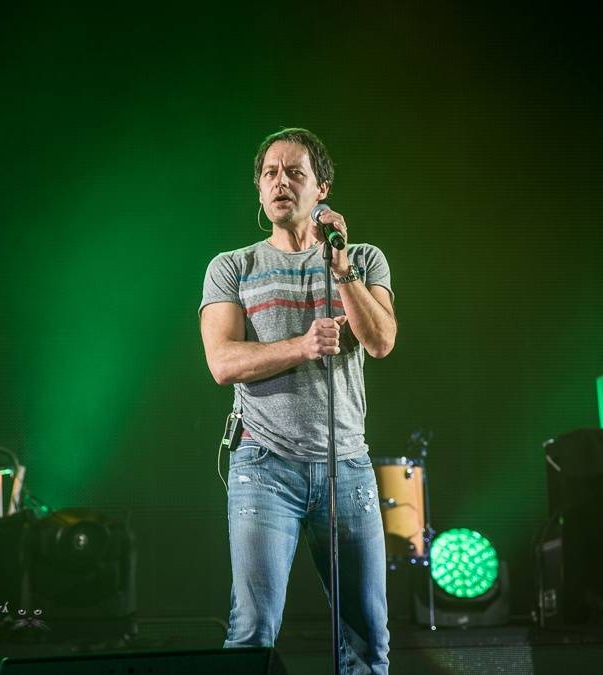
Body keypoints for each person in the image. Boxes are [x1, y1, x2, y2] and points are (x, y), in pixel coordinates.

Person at [199, 128, 396, 674]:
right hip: (264, 467)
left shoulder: (363, 259)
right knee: (251, 634)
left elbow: (380, 342)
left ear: (322, 189)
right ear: (260, 192)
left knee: (366, 638)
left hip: (347, 468)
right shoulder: (233, 267)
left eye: (294, 173)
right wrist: (303, 345)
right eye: (270, 173)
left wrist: (343, 272)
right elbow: (222, 362)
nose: (280, 182)